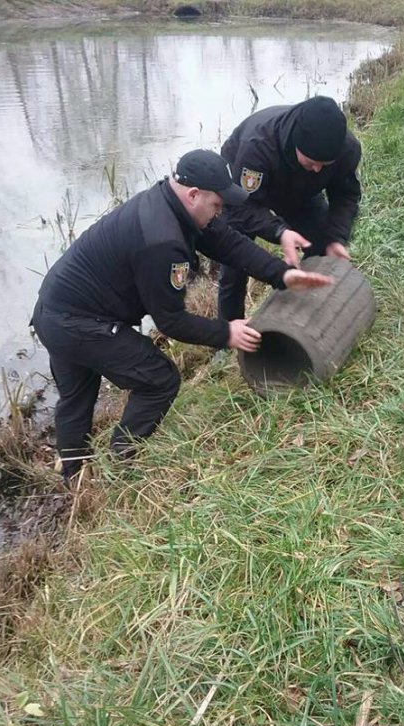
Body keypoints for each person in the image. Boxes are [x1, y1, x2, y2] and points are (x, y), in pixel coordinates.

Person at [31, 149, 332, 481]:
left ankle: (73, 473)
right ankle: (119, 464)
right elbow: (171, 322)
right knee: (159, 379)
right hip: (76, 321)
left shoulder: (171, 205)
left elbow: (228, 243)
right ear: (193, 194)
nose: (219, 213)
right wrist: (226, 333)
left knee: (76, 395)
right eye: (217, 205)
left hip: (54, 309)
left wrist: (282, 274)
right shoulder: (163, 242)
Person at [217, 95, 362, 321]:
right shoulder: (257, 146)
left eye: (324, 166)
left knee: (321, 241)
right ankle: (228, 334)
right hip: (244, 189)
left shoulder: (347, 149)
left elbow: (345, 196)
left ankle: (311, 316)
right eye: (312, 161)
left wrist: (336, 238)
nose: (316, 170)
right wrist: (280, 231)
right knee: (235, 263)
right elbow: (241, 208)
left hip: (300, 191)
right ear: (296, 142)